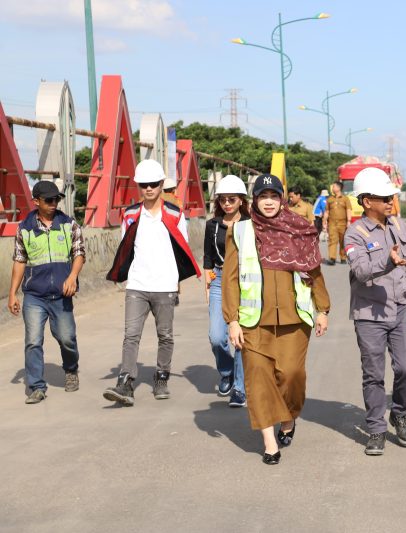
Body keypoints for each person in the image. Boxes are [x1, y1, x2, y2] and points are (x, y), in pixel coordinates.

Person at [223, 174, 330, 466]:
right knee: (258, 378)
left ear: (281, 198)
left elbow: (312, 270)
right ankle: (270, 443)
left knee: (292, 376)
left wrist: (323, 308)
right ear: (254, 201)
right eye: (262, 196)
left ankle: (288, 418)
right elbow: (230, 279)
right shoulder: (241, 231)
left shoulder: (298, 229)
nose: (268, 202)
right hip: (253, 321)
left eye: (273, 196)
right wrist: (231, 320)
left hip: (294, 320)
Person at [103, 159, 201, 406]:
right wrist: (122, 274)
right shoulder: (131, 214)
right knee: (131, 335)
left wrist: (177, 280)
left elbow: (182, 247)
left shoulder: (175, 214)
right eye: (143, 184)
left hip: (165, 285)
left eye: (153, 184)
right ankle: (125, 383)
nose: (148, 189)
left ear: (161, 185)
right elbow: (126, 247)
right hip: (137, 284)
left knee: (165, 335)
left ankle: (161, 377)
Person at [344, 167, 406, 456]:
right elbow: (361, 271)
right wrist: (387, 262)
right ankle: (376, 429)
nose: (390, 201)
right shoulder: (354, 233)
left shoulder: (398, 225)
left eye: (391, 196)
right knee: (373, 374)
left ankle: (399, 413)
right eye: (383, 197)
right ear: (366, 201)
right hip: (369, 314)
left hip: (400, 309)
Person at [7, 181, 85, 404]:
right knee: (33, 341)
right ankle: (36, 386)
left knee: (67, 338)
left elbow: (79, 253)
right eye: (49, 200)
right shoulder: (24, 228)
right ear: (36, 201)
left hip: (62, 294)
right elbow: (20, 262)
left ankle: (71, 370)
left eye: (56, 199)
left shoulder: (69, 224)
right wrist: (13, 294)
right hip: (34, 296)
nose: (54, 204)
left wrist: (72, 277)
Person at [204, 175, 249, 407]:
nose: (227, 204)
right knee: (217, 336)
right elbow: (208, 257)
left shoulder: (251, 224)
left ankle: (240, 389)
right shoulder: (212, 225)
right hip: (220, 280)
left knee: (240, 338)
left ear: (242, 200)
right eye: (222, 200)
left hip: (247, 282)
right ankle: (227, 371)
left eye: (232, 199)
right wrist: (208, 282)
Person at [322, 180, 352, 265]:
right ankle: (332, 258)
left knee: (343, 241)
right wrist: (324, 221)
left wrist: (349, 221)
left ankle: (343, 257)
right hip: (332, 223)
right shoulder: (330, 199)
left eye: (334, 186)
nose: (333, 188)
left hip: (343, 223)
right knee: (332, 240)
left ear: (339, 188)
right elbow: (327, 211)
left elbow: (348, 209)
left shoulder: (345, 198)